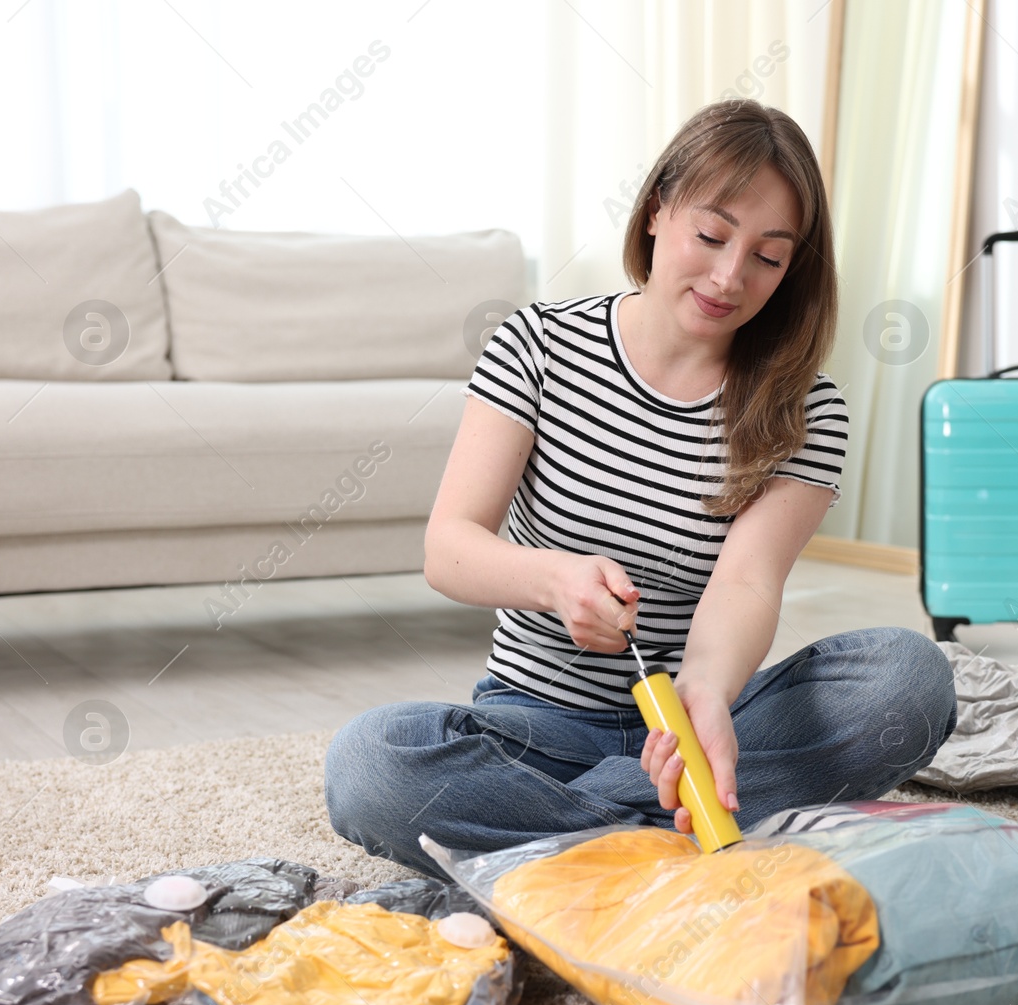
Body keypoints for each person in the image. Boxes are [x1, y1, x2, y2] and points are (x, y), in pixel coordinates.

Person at [324, 99, 957, 877]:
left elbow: (749, 579)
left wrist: (709, 697)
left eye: (768, 255)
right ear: (658, 209)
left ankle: (564, 846)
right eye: (712, 235)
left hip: (701, 719)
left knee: (909, 681)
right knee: (370, 763)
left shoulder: (807, 406)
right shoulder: (538, 344)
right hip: (535, 728)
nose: (730, 276)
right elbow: (450, 548)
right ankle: (657, 834)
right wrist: (555, 579)